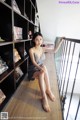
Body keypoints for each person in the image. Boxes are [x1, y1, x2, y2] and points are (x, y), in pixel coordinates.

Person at [28, 32, 64, 112]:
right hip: (33, 70)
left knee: (43, 69)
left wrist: (60, 41)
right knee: (43, 69)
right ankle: (44, 96)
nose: (39, 41)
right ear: (34, 40)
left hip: (40, 69)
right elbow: (33, 62)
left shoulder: (42, 48)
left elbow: (54, 51)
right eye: (37, 39)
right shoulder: (31, 50)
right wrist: (40, 68)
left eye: (40, 39)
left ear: (42, 40)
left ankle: (47, 91)